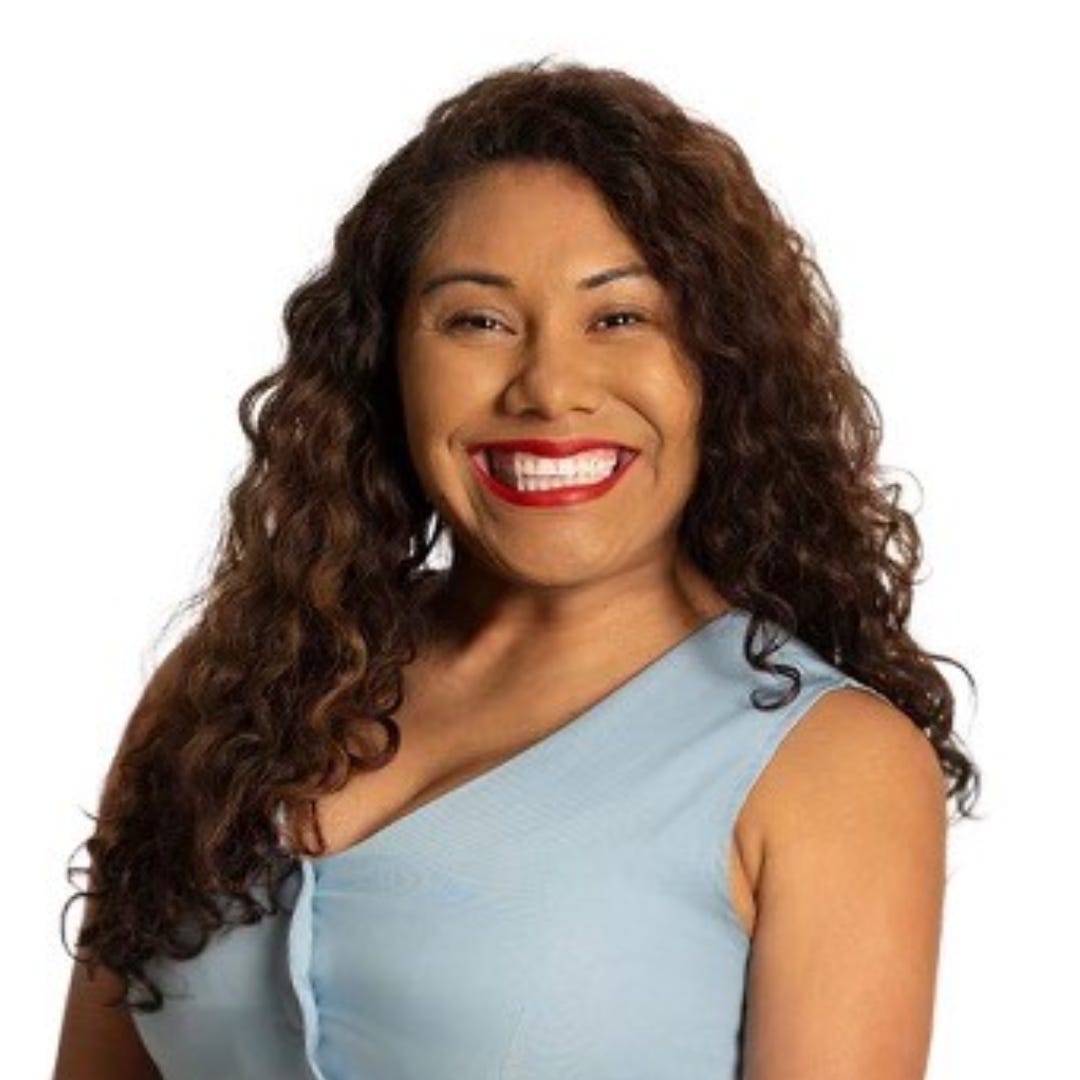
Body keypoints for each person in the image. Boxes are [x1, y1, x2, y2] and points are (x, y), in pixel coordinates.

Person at [54, 56, 980, 1079]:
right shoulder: (227, 692)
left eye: (619, 317)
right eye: (478, 321)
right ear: (386, 359)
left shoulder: (827, 767)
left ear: (721, 366)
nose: (549, 387)